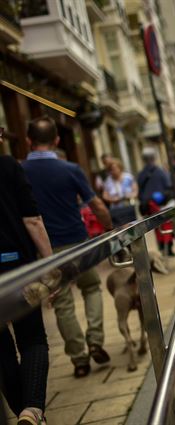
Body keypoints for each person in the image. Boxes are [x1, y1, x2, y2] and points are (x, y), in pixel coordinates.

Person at [22, 116, 113, 379]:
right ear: (57, 140)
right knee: (91, 286)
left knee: (61, 302)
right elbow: (96, 205)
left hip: (47, 249)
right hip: (78, 243)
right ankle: (95, 340)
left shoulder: (21, 170)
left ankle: (79, 358)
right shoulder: (70, 169)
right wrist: (109, 227)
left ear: (28, 141)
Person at [0, 126, 52, 424]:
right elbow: (32, 220)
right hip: (16, 266)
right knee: (32, 338)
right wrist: (51, 266)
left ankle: (28, 415)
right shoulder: (8, 165)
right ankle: (32, 410)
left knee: (1, 349)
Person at [137, 148, 173, 253]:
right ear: (154, 158)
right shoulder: (160, 172)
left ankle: (161, 246)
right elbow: (168, 186)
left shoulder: (141, 174)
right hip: (160, 204)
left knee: (155, 226)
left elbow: (140, 190)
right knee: (165, 224)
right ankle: (168, 247)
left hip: (148, 205)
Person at [102, 158, 138, 227]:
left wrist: (130, 196)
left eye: (115, 168)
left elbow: (135, 191)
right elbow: (104, 196)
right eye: (111, 169)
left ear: (120, 168)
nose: (113, 171)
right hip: (116, 210)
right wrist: (112, 199)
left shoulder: (128, 177)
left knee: (133, 228)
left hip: (129, 208)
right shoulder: (108, 181)